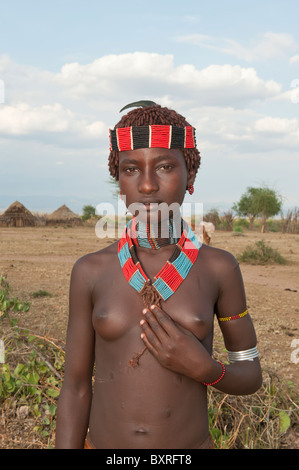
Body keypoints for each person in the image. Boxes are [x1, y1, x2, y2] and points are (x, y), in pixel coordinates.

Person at [55, 101, 262, 449]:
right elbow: (75, 388)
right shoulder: (90, 271)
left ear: (190, 175)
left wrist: (206, 370)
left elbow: (251, 374)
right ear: (118, 180)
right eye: (131, 169)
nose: (148, 185)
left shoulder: (219, 269)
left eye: (165, 166)